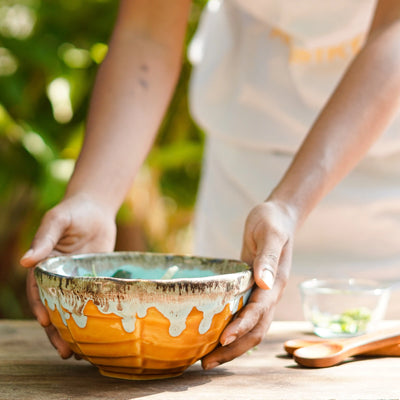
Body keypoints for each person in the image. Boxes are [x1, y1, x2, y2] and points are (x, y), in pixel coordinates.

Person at [20, 0, 400, 371]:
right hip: (244, 156)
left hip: (380, 164)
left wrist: (289, 206)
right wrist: (94, 197)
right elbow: (147, 32)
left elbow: (393, 33)